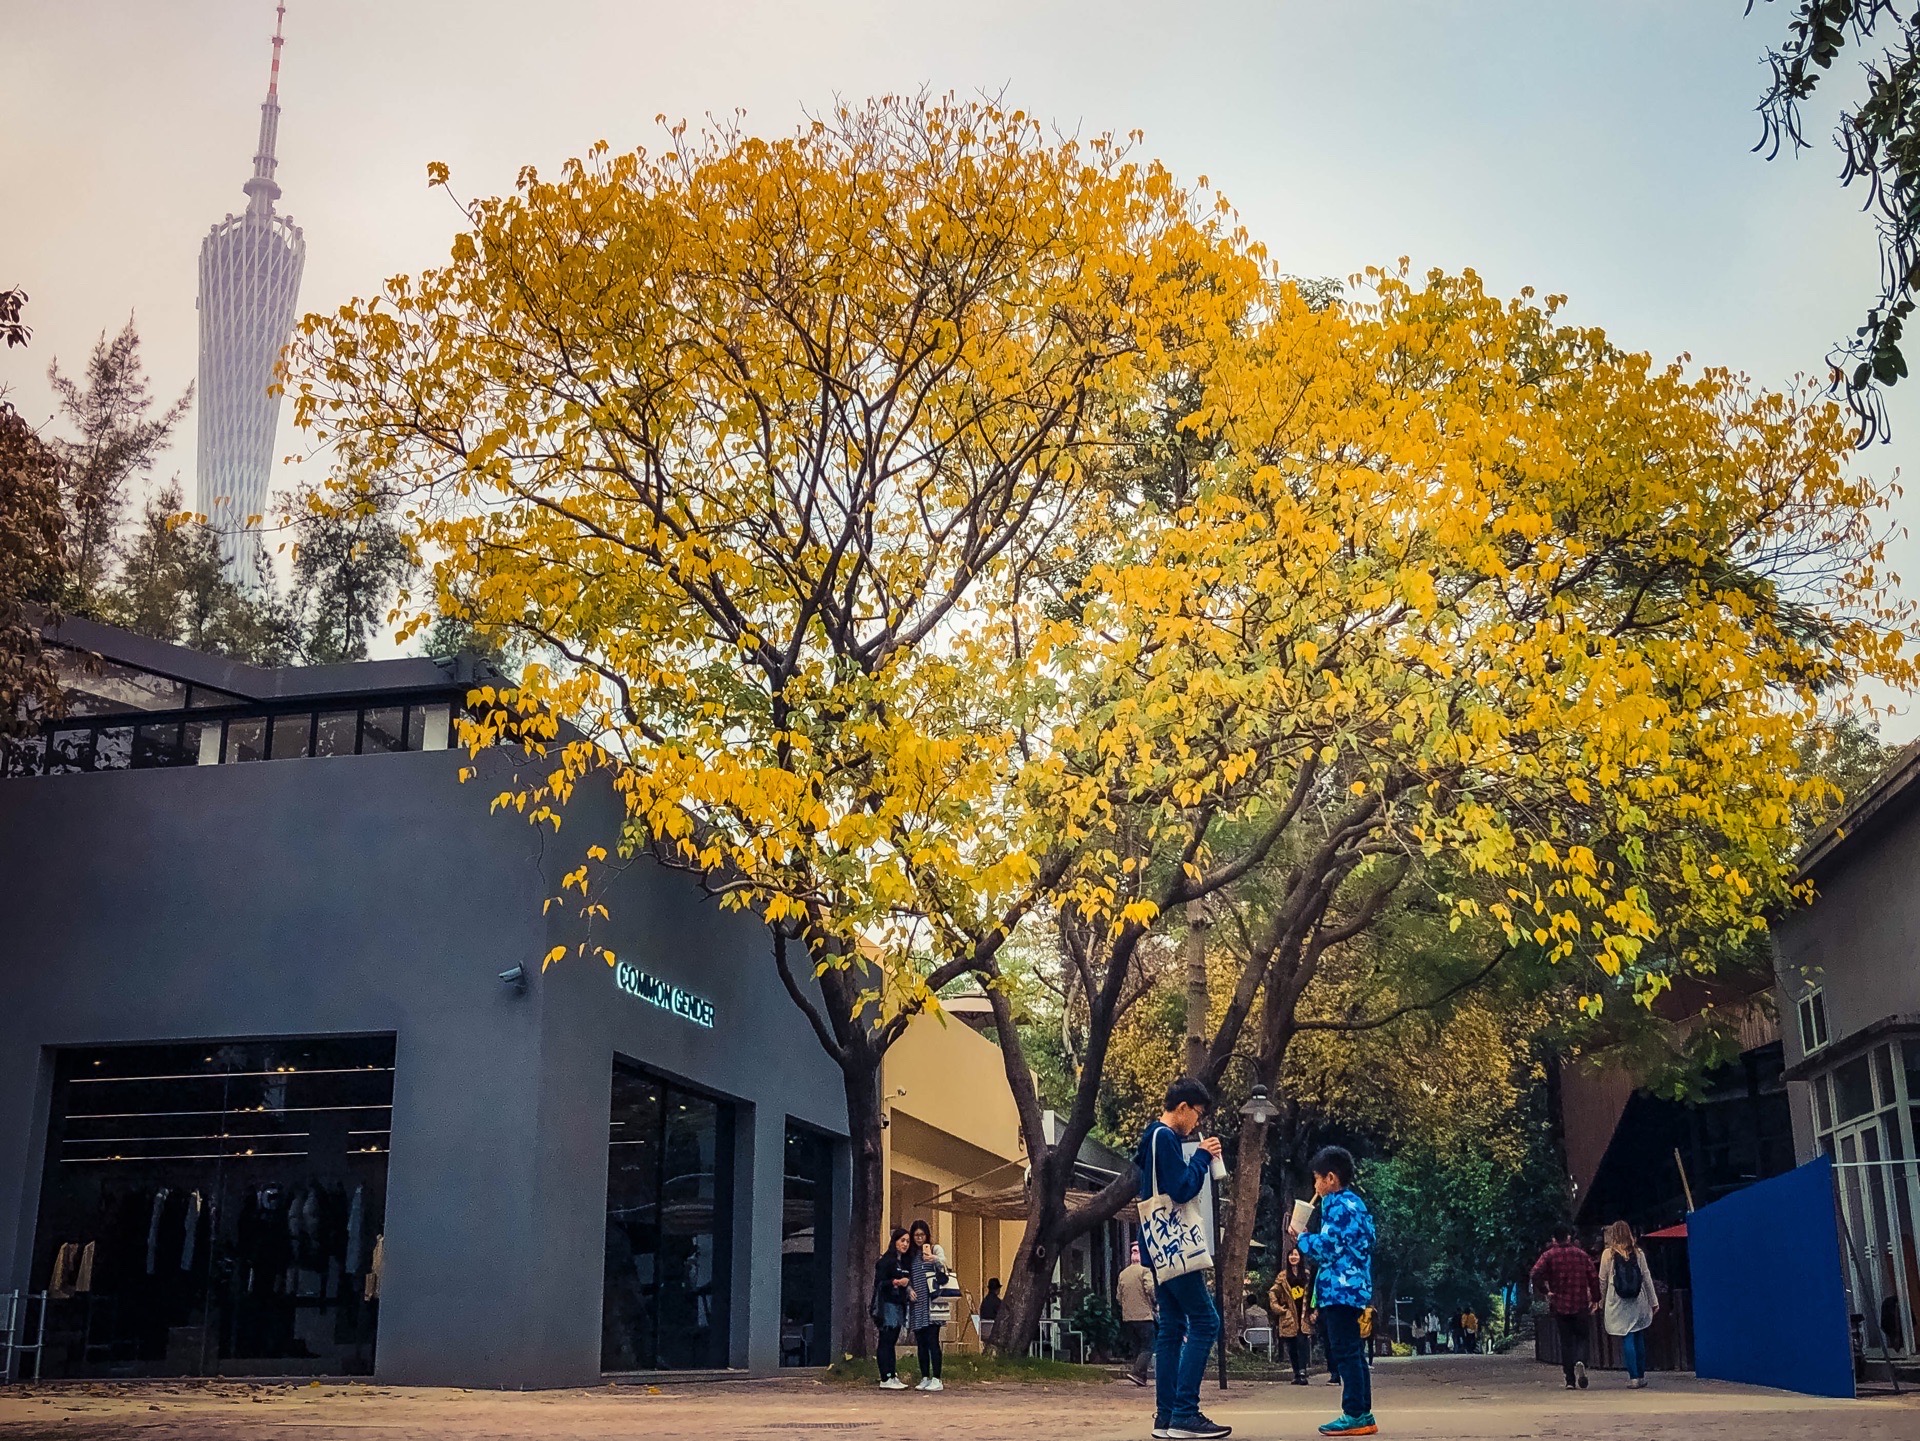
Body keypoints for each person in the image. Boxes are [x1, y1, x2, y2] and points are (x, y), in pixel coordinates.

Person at [1133, 1076, 1231, 1440]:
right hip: (1175, 1247)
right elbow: (1180, 1188)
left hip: (1158, 1249)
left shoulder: (1153, 1139)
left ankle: (1167, 1415)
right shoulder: (1164, 1137)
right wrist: (1203, 1157)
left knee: (1173, 1327)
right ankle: (1185, 1412)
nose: (1197, 1124)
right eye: (1197, 1114)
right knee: (1206, 1322)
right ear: (1183, 1107)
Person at [1290, 1145, 1379, 1437]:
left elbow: (1329, 1248)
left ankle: (1353, 1413)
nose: (1315, 1185)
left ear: (1330, 1178)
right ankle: (1362, 1411)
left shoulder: (1337, 1205)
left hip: (1340, 1289)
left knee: (1345, 1352)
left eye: (1317, 1178)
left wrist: (1302, 1239)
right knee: (1353, 1351)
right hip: (1356, 1288)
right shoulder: (1358, 1205)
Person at [1530, 1224, 1600, 1390]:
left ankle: (1569, 1380)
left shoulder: (1548, 1256)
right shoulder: (1581, 1255)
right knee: (1582, 1337)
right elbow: (1593, 1277)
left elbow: (1535, 1273)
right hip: (1580, 1303)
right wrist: (1596, 1298)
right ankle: (1581, 1360)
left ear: (1554, 1239)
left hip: (1560, 1305)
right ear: (1569, 1237)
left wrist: (1546, 1291)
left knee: (1566, 1342)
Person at [1597, 1220, 1658, 1388]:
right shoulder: (1638, 1253)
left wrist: (1600, 1302)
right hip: (1637, 1300)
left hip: (1618, 1301)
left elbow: (1602, 1280)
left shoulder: (1608, 1254)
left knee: (1627, 1336)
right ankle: (1641, 1375)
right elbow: (1646, 1277)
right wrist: (1654, 1301)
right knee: (1638, 1335)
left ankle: (1633, 1378)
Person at [906, 1218, 950, 1391]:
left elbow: (944, 1263)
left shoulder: (935, 1249)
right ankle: (924, 1376)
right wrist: (909, 1289)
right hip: (917, 1303)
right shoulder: (910, 1256)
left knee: (933, 1340)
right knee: (921, 1342)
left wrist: (934, 1259)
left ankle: (937, 1378)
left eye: (922, 1235)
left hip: (933, 1303)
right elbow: (906, 1275)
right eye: (916, 1235)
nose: (919, 1239)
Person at [871, 1227, 915, 1389]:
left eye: (907, 1242)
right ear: (894, 1241)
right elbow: (879, 1284)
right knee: (886, 1340)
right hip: (886, 1305)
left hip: (899, 1305)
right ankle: (885, 1377)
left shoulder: (903, 1262)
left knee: (892, 1340)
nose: (905, 1244)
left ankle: (892, 1373)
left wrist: (908, 1287)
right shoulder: (886, 1261)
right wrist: (896, 1282)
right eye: (902, 1240)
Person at [1269, 1248, 1314, 1384]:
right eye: (1291, 1255)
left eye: (1296, 1255)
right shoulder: (1282, 1276)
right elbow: (1272, 1293)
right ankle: (1296, 1372)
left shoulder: (1307, 1275)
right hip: (1289, 1315)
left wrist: (1314, 1312)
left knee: (1303, 1343)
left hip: (1304, 1314)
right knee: (1292, 1345)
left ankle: (1302, 1371)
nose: (1293, 1257)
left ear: (1300, 1257)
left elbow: (1314, 1293)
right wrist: (1278, 1309)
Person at [1117, 1243, 1157, 1387]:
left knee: (1138, 1346)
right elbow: (1150, 1289)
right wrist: (1156, 1302)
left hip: (1128, 1317)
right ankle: (1137, 1372)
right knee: (1148, 1346)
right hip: (1144, 1315)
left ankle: (1141, 1377)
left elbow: (1118, 1297)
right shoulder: (1145, 1271)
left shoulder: (1123, 1274)